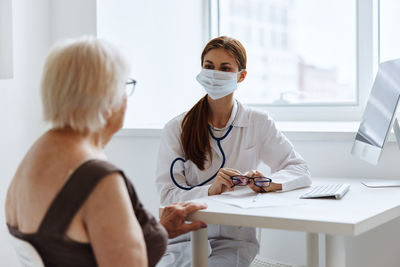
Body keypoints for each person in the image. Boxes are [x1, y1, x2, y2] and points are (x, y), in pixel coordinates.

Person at [5, 37, 207, 267]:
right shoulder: (97, 179)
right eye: (124, 86)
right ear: (108, 97)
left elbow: (71, 249)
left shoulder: (35, 155)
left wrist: (158, 231)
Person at [155, 36, 312, 267]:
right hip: (184, 239)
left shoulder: (257, 122)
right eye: (209, 67)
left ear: (241, 76)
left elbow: (299, 168)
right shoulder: (177, 128)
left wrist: (270, 182)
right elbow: (167, 197)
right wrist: (210, 190)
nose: (215, 73)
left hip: (233, 240)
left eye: (225, 68)